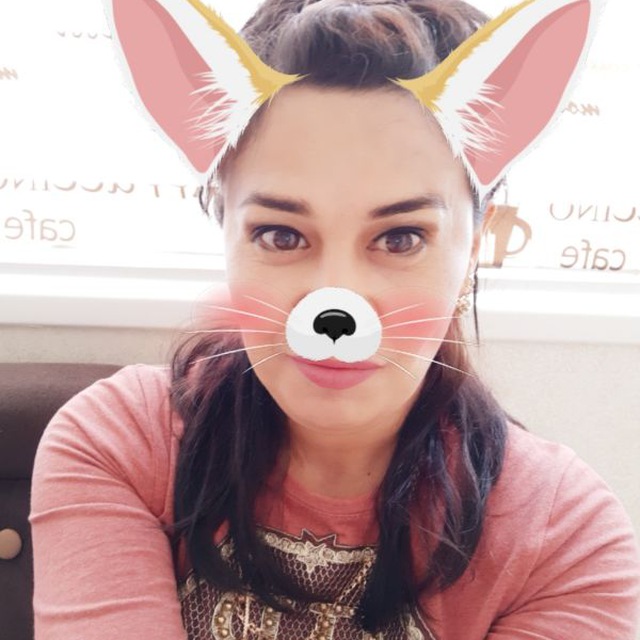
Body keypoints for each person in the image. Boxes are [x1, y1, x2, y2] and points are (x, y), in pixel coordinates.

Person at [30, 0, 640, 638]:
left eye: (400, 238)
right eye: (281, 235)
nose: (335, 305)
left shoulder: (566, 538)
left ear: (474, 248)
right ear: (224, 227)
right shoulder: (121, 443)